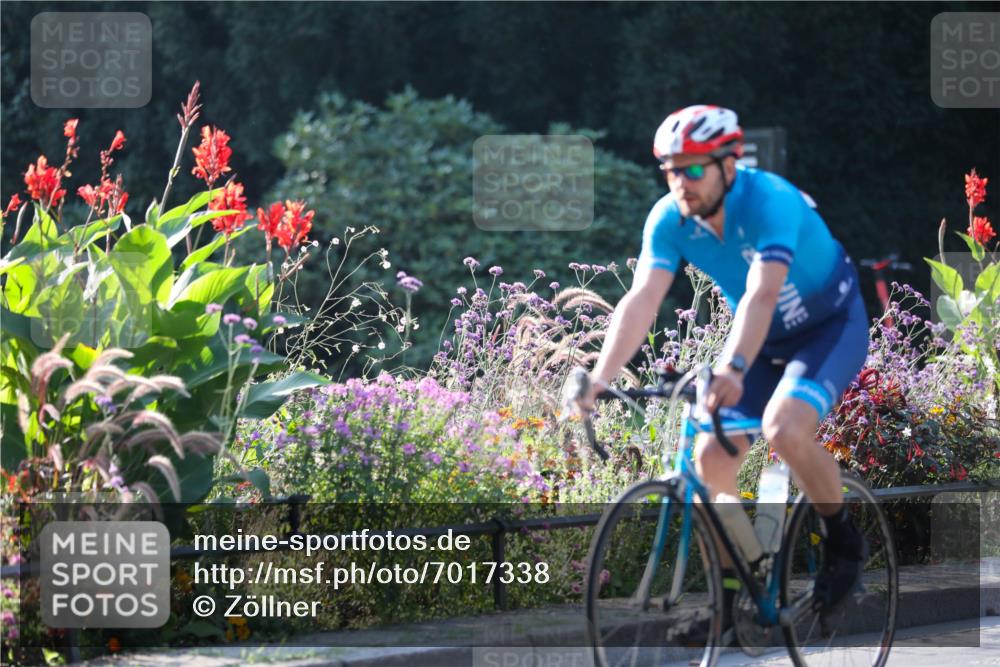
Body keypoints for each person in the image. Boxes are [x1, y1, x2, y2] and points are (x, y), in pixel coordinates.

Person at [573, 105, 869, 619]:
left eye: (692, 168)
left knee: (784, 430)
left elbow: (762, 291)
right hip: (762, 344)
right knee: (710, 464)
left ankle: (843, 541)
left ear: (729, 165)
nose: (679, 182)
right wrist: (602, 376)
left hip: (827, 328)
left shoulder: (768, 200)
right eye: (670, 169)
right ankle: (733, 596)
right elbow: (642, 298)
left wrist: (731, 368)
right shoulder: (670, 219)